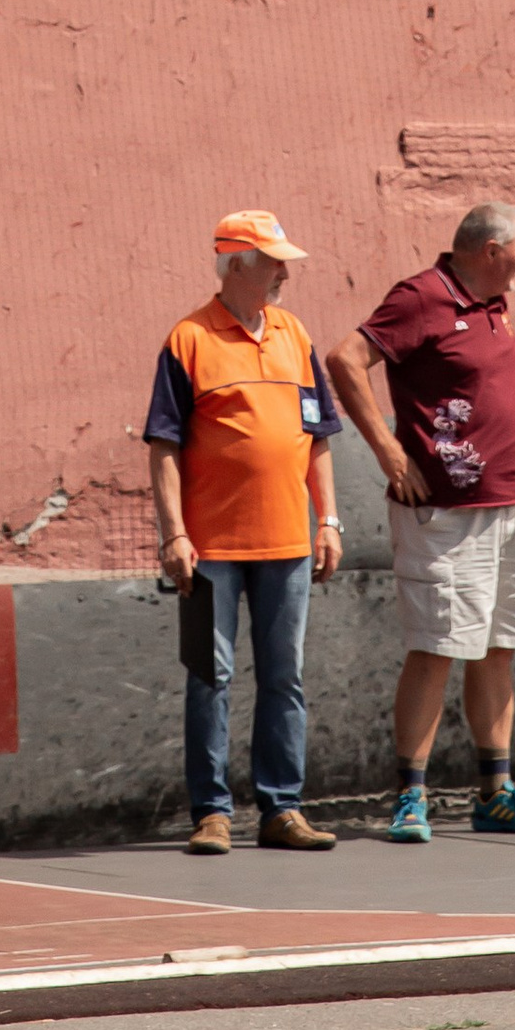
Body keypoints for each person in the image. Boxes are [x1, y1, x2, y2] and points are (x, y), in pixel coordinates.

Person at [325, 199, 515, 843]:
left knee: (498, 648)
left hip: (509, 506)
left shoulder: (496, 305)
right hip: (445, 513)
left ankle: (496, 793)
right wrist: (389, 452)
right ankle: (410, 796)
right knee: (436, 647)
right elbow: (344, 359)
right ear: (491, 251)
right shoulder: (420, 297)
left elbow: (500, 403)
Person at [145, 206, 344, 855]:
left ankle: (282, 807)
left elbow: (317, 438)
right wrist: (174, 533)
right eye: (274, 262)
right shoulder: (188, 339)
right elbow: (164, 445)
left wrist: (329, 519)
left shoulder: (295, 333)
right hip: (209, 550)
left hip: (289, 543)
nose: (285, 273)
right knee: (211, 676)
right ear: (236, 265)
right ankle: (212, 812)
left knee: (285, 677)